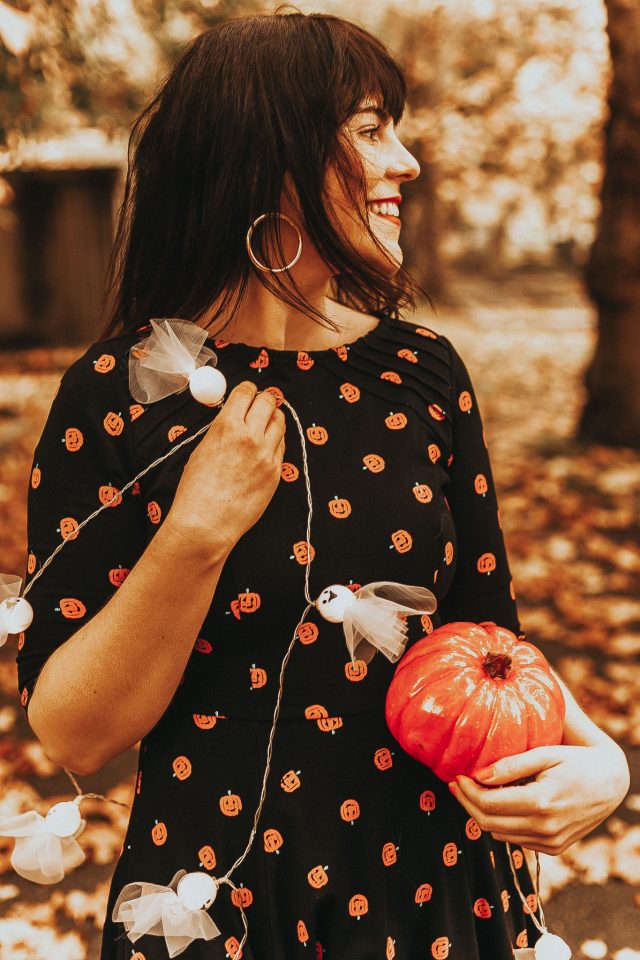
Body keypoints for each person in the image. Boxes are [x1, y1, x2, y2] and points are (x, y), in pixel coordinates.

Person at [16, 9, 629, 960]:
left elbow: (481, 637)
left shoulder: (422, 372)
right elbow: (75, 735)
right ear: (272, 159)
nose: (408, 163)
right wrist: (196, 532)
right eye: (372, 130)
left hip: (433, 888)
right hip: (216, 899)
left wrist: (604, 763)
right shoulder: (121, 392)